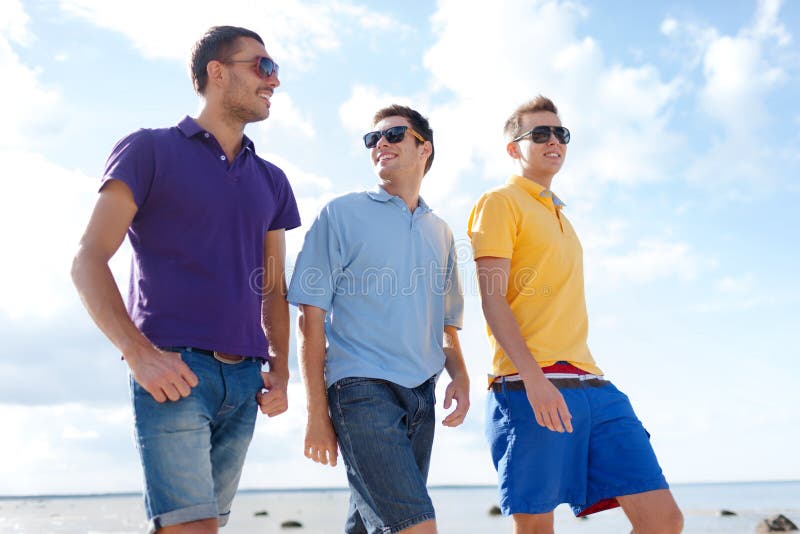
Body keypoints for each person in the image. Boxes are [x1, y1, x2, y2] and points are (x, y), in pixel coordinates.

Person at [71, 26, 301, 533]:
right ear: (217, 73)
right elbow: (87, 260)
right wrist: (139, 354)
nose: (275, 79)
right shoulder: (147, 150)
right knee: (194, 528)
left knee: (195, 528)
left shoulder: (272, 180)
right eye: (262, 66)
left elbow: (273, 287)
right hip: (173, 370)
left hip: (245, 382)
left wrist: (282, 370)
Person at [467, 96, 683, 533]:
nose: (554, 141)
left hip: (594, 385)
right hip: (529, 385)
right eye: (540, 133)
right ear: (513, 148)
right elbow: (492, 300)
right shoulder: (500, 201)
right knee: (536, 529)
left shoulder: (561, 214)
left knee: (663, 520)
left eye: (561, 133)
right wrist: (534, 379)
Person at [287, 105, 470, 534]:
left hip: (423, 394)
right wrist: (315, 413)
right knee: (415, 526)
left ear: (424, 148)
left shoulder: (440, 231)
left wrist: (459, 374)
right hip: (360, 390)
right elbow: (309, 317)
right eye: (372, 139)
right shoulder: (340, 213)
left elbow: (446, 324)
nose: (379, 145)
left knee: (370, 527)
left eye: (392, 135)